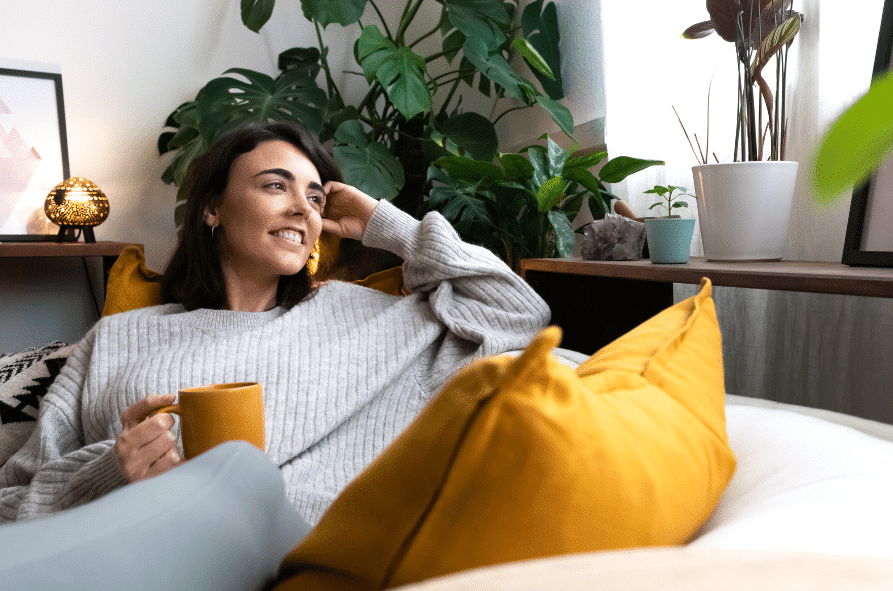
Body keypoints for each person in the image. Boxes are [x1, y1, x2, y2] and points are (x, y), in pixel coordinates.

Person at [0, 121, 551, 525]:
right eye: (274, 185)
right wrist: (111, 475)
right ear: (212, 208)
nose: (303, 210)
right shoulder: (118, 338)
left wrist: (387, 225)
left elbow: (516, 314)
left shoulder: (365, 317)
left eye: (314, 197)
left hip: (302, 553)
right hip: (136, 545)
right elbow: (14, 500)